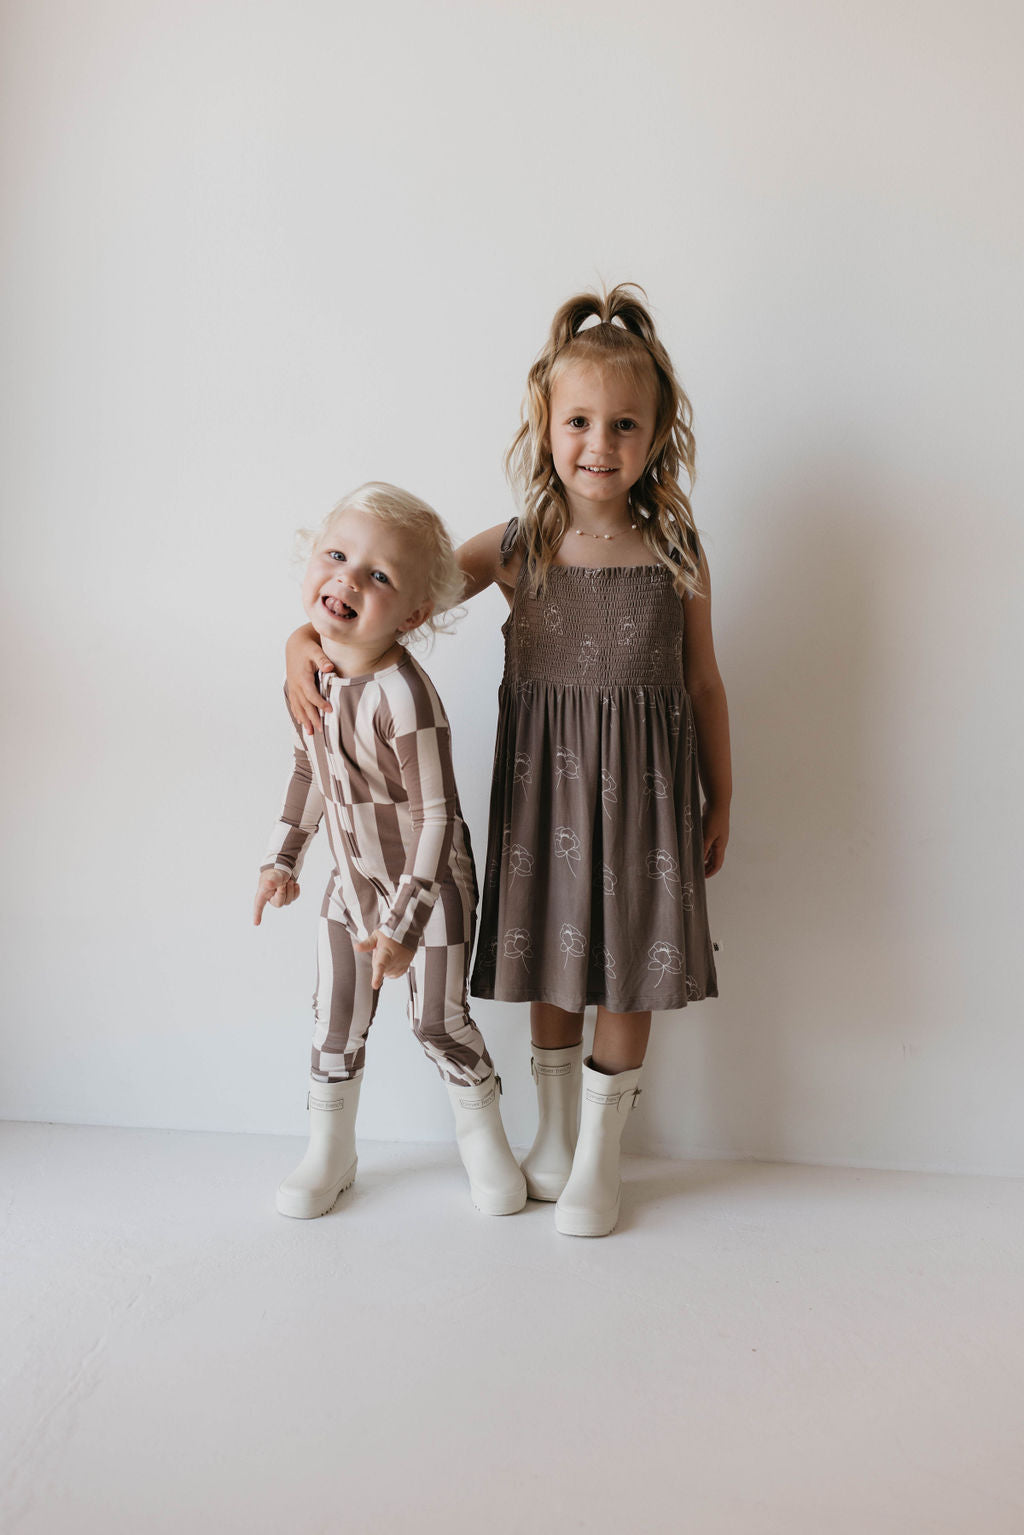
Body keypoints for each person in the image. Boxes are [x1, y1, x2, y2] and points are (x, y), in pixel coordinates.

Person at [287, 286, 731, 1237]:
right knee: (554, 961)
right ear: (547, 422)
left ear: (657, 435)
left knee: (628, 972)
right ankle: (555, 1136)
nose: (598, 444)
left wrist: (720, 795)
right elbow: (397, 596)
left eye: (624, 424)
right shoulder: (522, 544)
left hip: (650, 802)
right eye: (579, 421)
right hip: (550, 801)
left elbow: (703, 685)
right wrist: (302, 638)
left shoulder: (678, 543)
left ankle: (601, 1160)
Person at [257, 482, 526, 1221]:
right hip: (352, 887)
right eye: (337, 556)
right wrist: (283, 860)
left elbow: (437, 818)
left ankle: (484, 1144)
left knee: (436, 1020)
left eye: (378, 575)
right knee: (335, 1015)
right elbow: (310, 768)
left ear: (411, 615)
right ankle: (330, 1151)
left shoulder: (405, 697)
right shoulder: (310, 676)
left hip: (426, 889)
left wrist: (405, 921)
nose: (347, 578)